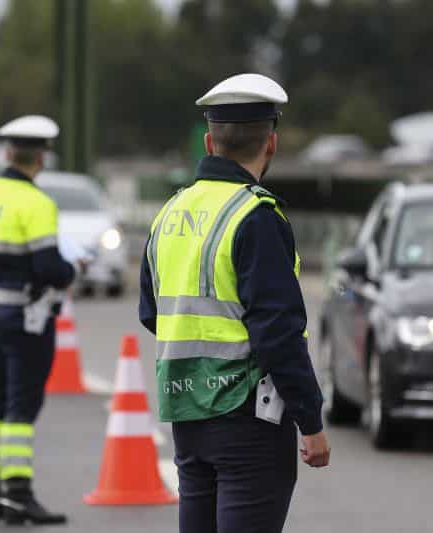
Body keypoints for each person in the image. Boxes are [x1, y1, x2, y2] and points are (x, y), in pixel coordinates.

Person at [139, 73, 330, 533]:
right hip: (248, 419)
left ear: (208, 141)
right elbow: (278, 332)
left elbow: (152, 313)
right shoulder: (256, 215)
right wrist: (311, 421)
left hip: (186, 411)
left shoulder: (172, 211)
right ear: (271, 144)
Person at [0, 115, 82, 525]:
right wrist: (73, 269)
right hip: (27, 314)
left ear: (9, 152)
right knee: (22, 406)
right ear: (41, 156)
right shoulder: (36, 204)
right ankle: (19, 495)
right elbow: (50, 267)